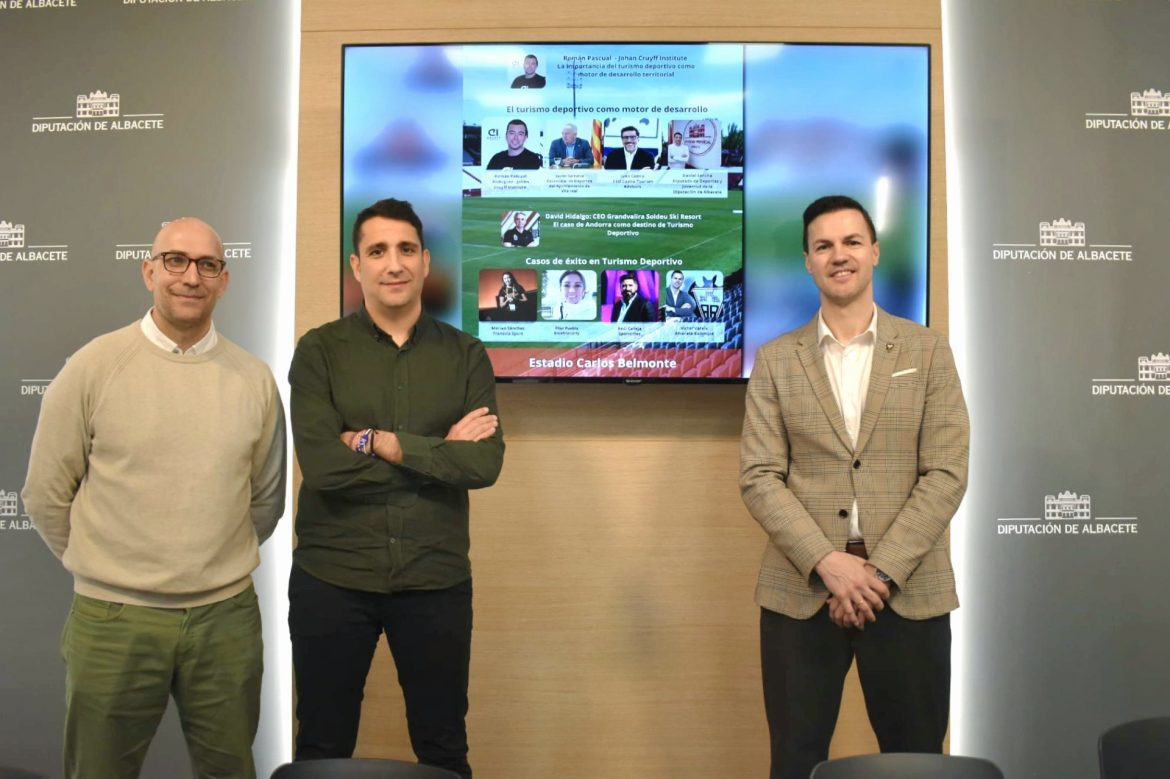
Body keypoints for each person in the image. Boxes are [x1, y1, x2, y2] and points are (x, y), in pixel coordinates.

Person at [22, 217, 286, 779]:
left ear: (224, 280)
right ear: (148, 271)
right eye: (175, 261)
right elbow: (45, 495)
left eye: (207, 265)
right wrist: (108, 567)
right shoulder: (93, 366)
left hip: (225, 620)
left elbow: (265, 501)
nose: (191, 277)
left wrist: (209, 563)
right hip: (113, 620)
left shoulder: (255, 379)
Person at [739, 195, 969, 779]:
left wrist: (879, 572)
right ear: (808, 262)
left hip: (908, 589)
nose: (838, 255)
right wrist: (828, 563)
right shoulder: (775, 360)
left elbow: (946, 471)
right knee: (795, 760)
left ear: (874, 253)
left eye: (850, 242)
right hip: (802, 592)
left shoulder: (928, 350)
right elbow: (760, 476)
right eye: (823, 246)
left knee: (917, 762)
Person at [288, 198, 504, 779]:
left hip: (435, 580)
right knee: (322, 746)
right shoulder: (319, 351)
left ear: (426, 261)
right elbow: (325, 468)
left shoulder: (465, 355)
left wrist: (380, 442)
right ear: (356, 266)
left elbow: (484, 463)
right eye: (378, 250)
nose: (394, 263)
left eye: (406, 249)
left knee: (444, 748)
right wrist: (438, 452)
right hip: (333, 579)